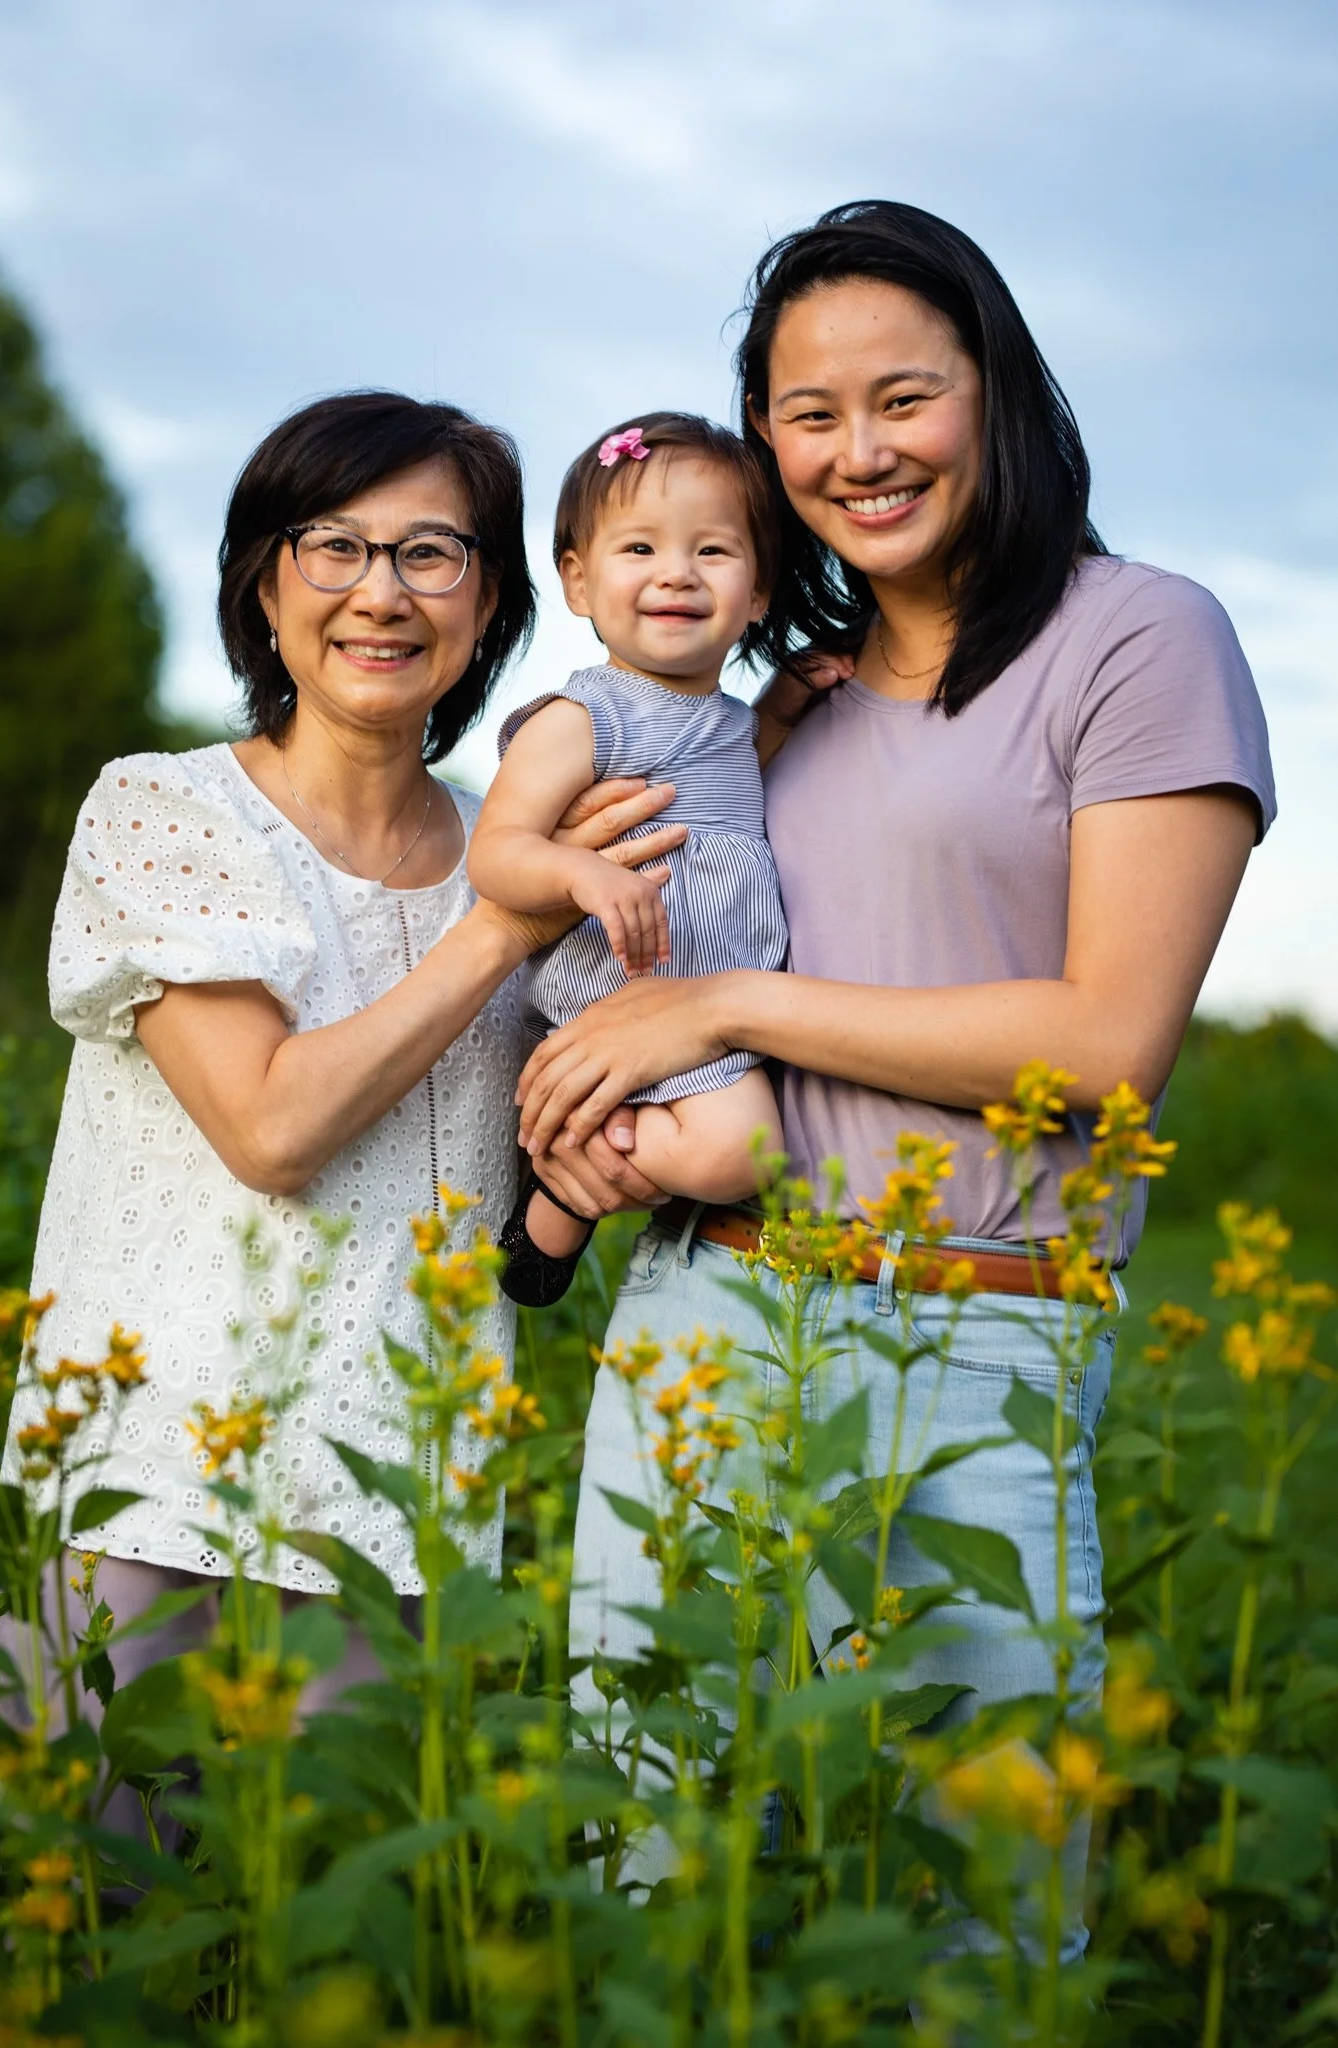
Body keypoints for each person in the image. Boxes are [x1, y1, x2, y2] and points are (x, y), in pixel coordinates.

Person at [523, 203, 1276, 1943]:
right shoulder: (775, 700)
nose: (858, 452)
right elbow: (640, 954)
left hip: (980, 1331)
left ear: (994, 394)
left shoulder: (1140, 637)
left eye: (902, 398)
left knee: (981, 1911)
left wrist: (742, 1012)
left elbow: (1104, 1045)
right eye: (807, 414)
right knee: (647, 1876)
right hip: (707, 1314)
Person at [0, 390, 686, 1709]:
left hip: (406, 1512)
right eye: (335, 546)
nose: (383, 592)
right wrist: (503, 924)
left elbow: (579, 1113)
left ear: (489, 607)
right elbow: (270, 1131)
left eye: (432, 553)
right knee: (102, 1904)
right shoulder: (162, 809)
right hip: (145, 1494)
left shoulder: (529, 857)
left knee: (351, 1903)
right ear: (266, 588)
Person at [469, 412, 792, 1307]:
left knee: (745, 1141)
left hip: (702, 1002)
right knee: (745, 1153)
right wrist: (583, 873)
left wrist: (801, 690)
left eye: (713, 553)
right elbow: (497, 854)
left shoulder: (734, 719)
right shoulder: (584, 719)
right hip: (620, 994)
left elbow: (747, 755)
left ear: (760, 590)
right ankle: (563, 1168)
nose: (675, 574)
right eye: (639, 548)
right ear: (577, 581)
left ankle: (553, 1211)